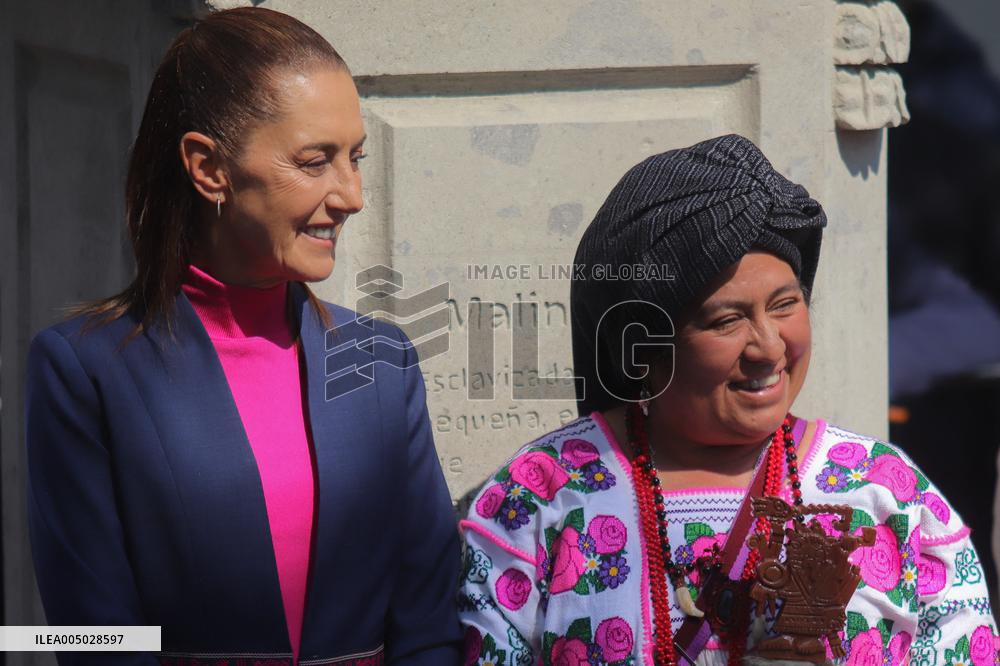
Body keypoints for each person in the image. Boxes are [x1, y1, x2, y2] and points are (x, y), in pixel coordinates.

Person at [457, 135, 998, 665]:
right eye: (727, 320)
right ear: (644, 350)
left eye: (785, 304)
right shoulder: (538, 496)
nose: (768, 347)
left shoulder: (886, 490)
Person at [24, 8, 461, 665]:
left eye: (356, 159)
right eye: (316, 162)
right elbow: (87, 634)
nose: (351, 195)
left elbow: (431, 619)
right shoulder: (83, 369)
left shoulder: (381, 360)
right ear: (208, 168)